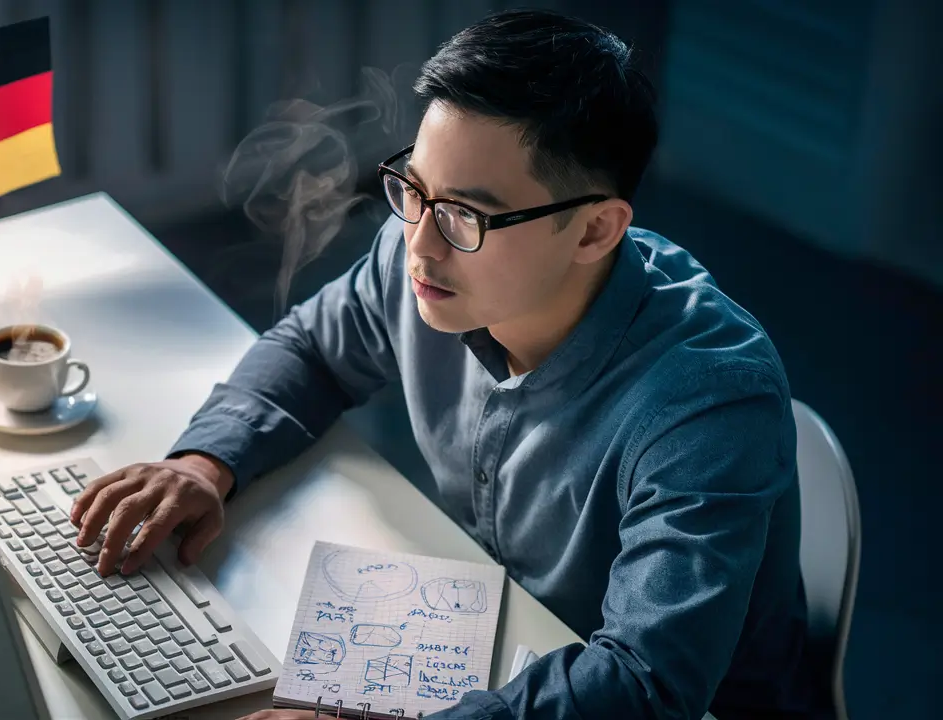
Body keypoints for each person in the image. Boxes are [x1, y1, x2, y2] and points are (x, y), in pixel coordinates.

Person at [71, 8, 814, 720]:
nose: (418, 244)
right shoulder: (426, 255)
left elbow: (644, 684)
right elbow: (312, 349)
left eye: (466, 213)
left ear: (594, 230)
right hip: (496, 648)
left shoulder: (707, 403)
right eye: (415, 191)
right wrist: (204, 465)